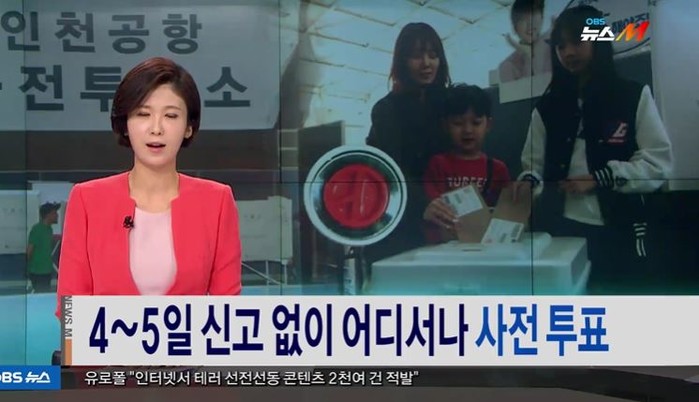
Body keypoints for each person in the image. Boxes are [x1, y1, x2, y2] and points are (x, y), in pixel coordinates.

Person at [55, 57, 242, 317]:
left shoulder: (217, 201)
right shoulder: (87, 200)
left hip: (189, 344)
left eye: (171, 115)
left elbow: (228, 309)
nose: (156, 128)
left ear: (188, 127)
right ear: (125, 124)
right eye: (143, 114)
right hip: (106, 344)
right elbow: (71, 310)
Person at [513, 6, 673, 290]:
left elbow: (658, 163)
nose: (568, 52)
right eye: (561, 46)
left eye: (577, 41)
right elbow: (532, 166)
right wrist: (528, 182)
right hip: (560, 230)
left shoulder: (633, 95)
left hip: (620, 227)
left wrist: (600, 178)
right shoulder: (546, 108)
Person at [364, 22, 453, 263]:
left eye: (433, 55)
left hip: (449, 217)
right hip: (403, 222)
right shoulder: (386, 110)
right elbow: (390, 169)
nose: (426, 63)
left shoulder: (449, 102)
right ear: (402, 61)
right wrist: (423, 203)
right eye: (416, 56)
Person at [423, 84, 511, 243]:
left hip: (486, 246)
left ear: (488, 125)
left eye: (476, 123)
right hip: (445, 246)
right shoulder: (438, 164)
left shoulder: (498, 169)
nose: (467, 130)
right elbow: (433, 208)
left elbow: (506, 215)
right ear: (445, 125)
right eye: (458, 123)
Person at [499, 0, 553, 83]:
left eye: (534, 17)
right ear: (514, 28)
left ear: (542, 19)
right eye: (523, 20)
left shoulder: (554, 50)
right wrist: (528, 56)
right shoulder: (508, 66)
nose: (530, 25)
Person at [27, 202, 60, 293]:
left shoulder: (49, 229)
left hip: (47, 270)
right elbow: (29, 250)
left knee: (44, 293)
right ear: (48, 215)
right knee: (41, 294)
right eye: (54, 213)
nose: (57, 215)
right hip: (38, 271)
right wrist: (28, 269)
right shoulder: (37, 229)